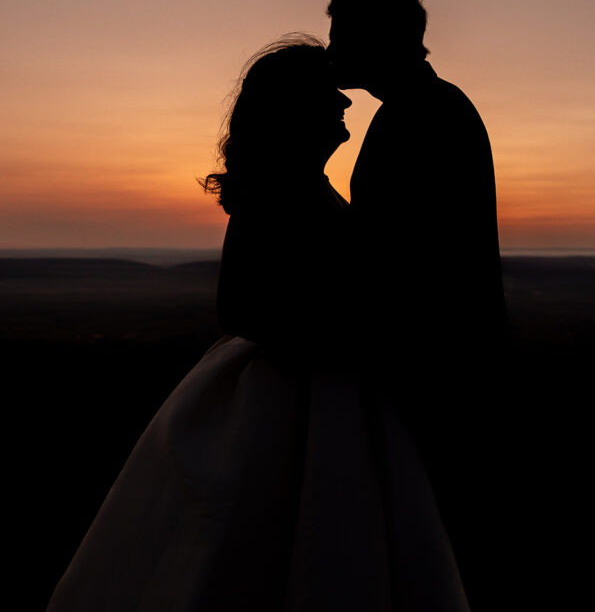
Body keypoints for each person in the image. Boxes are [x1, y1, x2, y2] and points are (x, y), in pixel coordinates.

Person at [46, 36, 471, 612]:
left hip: (329, 390)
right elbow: (240, 306)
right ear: (295, 109)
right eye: (329, 95)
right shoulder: (276, 192)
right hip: (289, 396)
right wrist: (343, 340)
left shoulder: (308, 187)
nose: (345, 104)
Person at [327, 0, 508, 611]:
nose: (329, 48)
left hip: (434, 370)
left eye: (340, 34)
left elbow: (409, 260)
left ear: (375, 39)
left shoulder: (424, 116)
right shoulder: (418, 110)